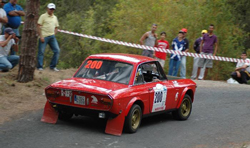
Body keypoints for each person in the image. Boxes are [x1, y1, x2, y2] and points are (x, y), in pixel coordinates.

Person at [37, 3, 60, 71]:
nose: (51, 10)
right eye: (50, 9)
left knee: (57, 50)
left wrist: (54, 34)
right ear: (47, 8)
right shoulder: (43, 16)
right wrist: (41, 36)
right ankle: (40, 67)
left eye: (53, 9)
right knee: (41, 52)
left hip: (52, 36)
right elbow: (38, 25)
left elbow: (56, 27)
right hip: (44, 36)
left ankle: (53, 66)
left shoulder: (55, 17)